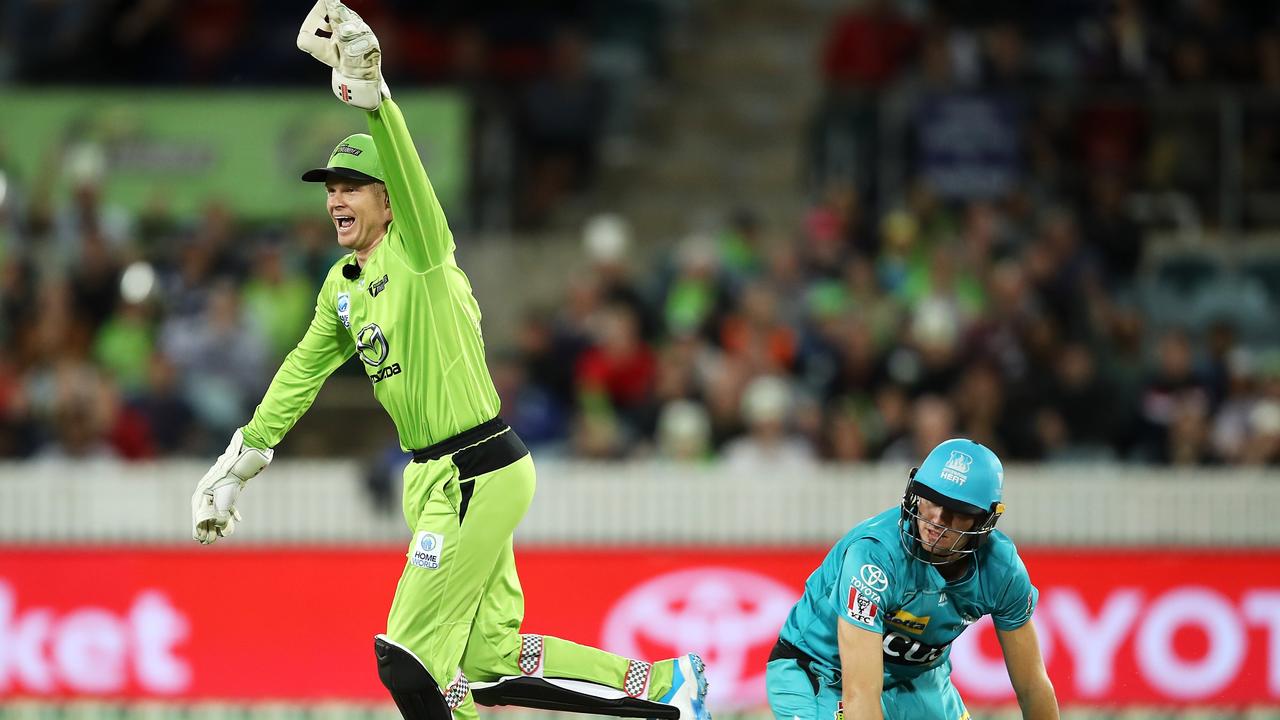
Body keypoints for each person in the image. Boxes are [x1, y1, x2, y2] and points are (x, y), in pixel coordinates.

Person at [189, 3, 710, 719]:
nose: (336, 199)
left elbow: (409, 175)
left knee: (410, 660)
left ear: (387, 200)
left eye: (351, 187)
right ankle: (663, 688)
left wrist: (378, 102)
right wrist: (239, 460)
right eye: (330, 189)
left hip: (477, 469)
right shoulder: (342, 289)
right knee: (491, 659)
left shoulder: (423, 251)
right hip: (436, 478)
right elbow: (300, 374)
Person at [766, 438, 1058, 719]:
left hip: (919, 679)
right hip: (823, 671)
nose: (937, 520)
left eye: (957, 511)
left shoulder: (1002, 569)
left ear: (985, 520)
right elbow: (861, 694)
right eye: (931, 500)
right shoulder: (874, 558)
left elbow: (1032, 687)